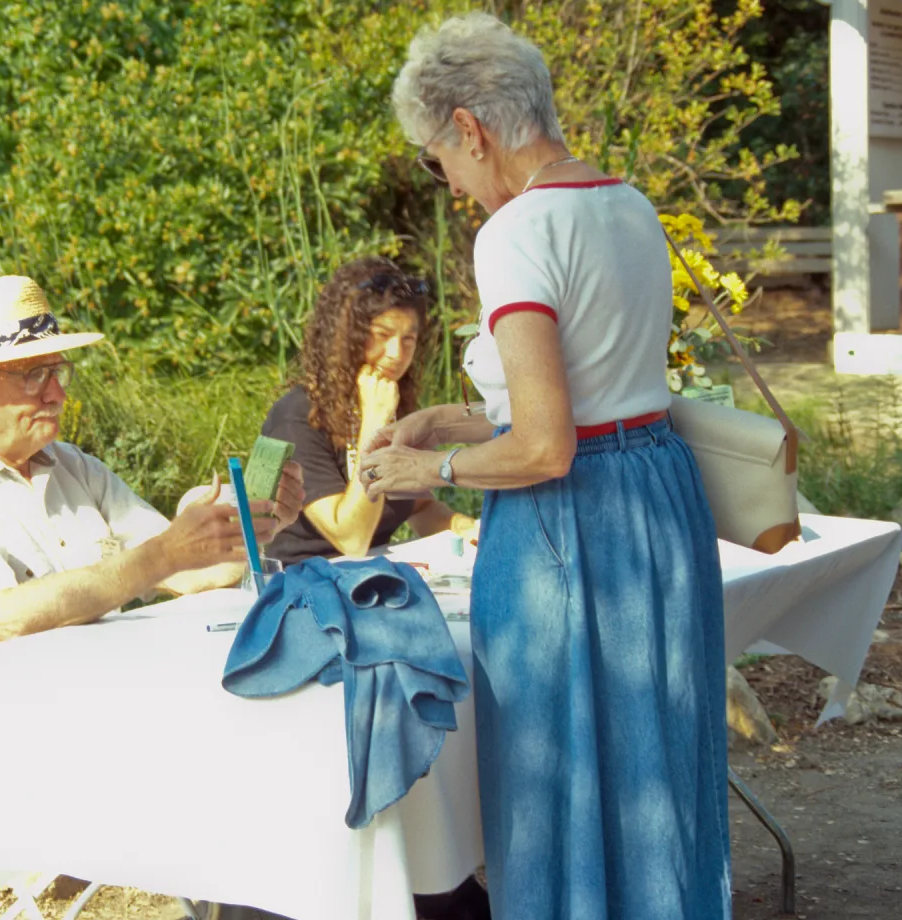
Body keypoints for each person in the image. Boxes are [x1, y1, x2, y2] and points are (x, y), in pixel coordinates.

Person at [360, 13, 729, 920]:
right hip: (656, 498)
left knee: (555, 774)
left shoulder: (516, 231)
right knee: (655, 762)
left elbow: (545, 447)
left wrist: (432, 469)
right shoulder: (629, 202)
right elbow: (602, 382)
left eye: (436, 160)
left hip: (571, 519)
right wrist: (455, 418)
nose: (446, 185)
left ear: (471, 129)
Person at [0, 275, 306, 675]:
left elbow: (187, 572)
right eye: (34, 375)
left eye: (57, 371)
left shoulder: (72, 465)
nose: (56, 394)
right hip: (4, 728)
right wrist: (163, 555)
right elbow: (2, 619)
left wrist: (258, 523)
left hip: (98, 692)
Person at [261, 256, 474, 566]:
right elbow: (352, 540)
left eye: (408, 339)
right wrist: (374, 425)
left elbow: (418, 507)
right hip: (307, 586)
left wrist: (462, 527)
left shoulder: (387, 403)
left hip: (376, 578)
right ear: (346, 336)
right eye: (383, 335)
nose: (396, 354)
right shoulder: (296, 418)